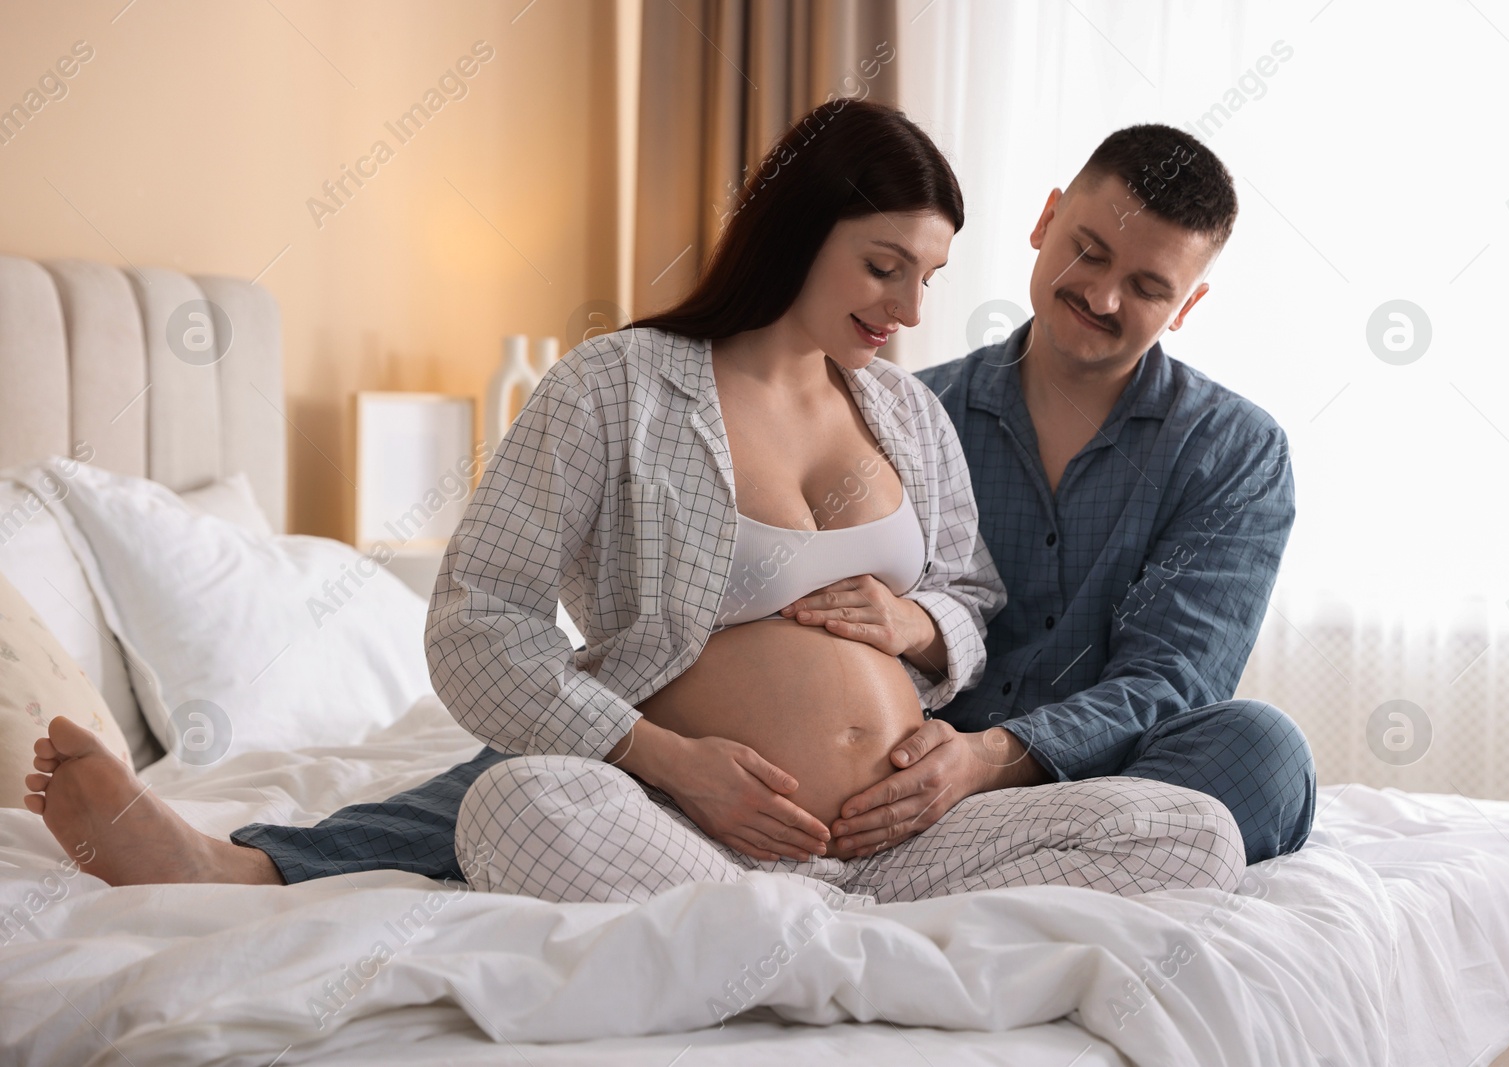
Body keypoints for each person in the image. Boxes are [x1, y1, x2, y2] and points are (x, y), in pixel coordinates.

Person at [23, 102, 1247, 902]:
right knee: (517, 799)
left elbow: (971, 597)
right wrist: (675, 762)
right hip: (690, 826)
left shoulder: (906, 411)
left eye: (925, 278)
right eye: (884, 268)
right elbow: (478, 618)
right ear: (797, 230)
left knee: (1195, 836)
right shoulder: (619, 387)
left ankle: (807, 935)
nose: (910, 312)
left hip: (902, 844)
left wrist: (921, 628)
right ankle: (237, 869)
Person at [828, 124, 1317, 867]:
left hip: (1107, 780)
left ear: (1187, 305)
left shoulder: (1237, 450)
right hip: (916, 766)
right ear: (1046, 219)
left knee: (1265, 751)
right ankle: (1044, 873)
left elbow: (1173, 679)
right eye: (1089, 250)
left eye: (1150, 287)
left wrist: (991, 757)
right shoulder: (906, 414)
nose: (1102, 294)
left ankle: (1009, 869)